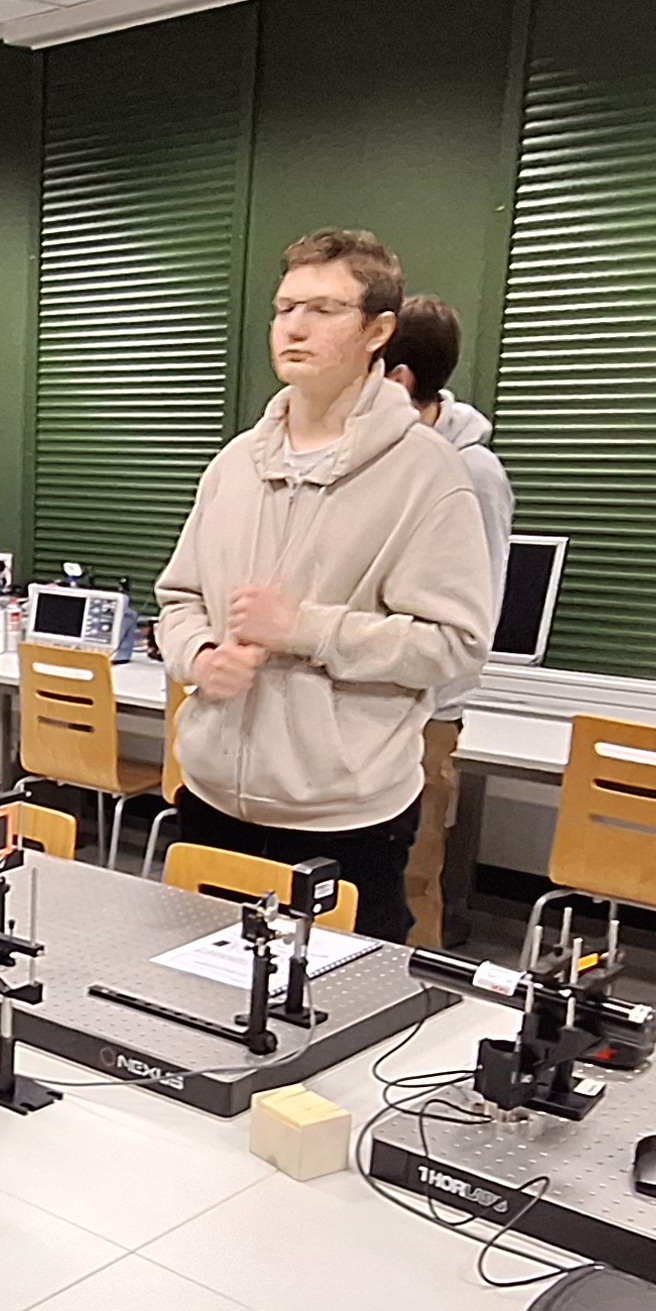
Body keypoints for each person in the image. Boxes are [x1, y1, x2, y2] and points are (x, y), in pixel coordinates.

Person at [153, 231, 499, 944]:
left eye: (324, 309)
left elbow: (455, 644)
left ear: (377, 331)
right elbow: (179, 599)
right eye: (285, 308)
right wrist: (200, 656)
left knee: (337, 1006)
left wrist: (304, 629)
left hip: (344, 823)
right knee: (196, 997)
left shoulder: (427, 475)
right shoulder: (234, 465)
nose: (295, 327)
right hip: (212, 803)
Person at [381, 295, 512, 948]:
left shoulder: (472, 473)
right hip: (364, 699)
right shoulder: (382, 455)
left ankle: (416, 996)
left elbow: (473, 610)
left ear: (399, 379)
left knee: (411, 878)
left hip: (425, 711)